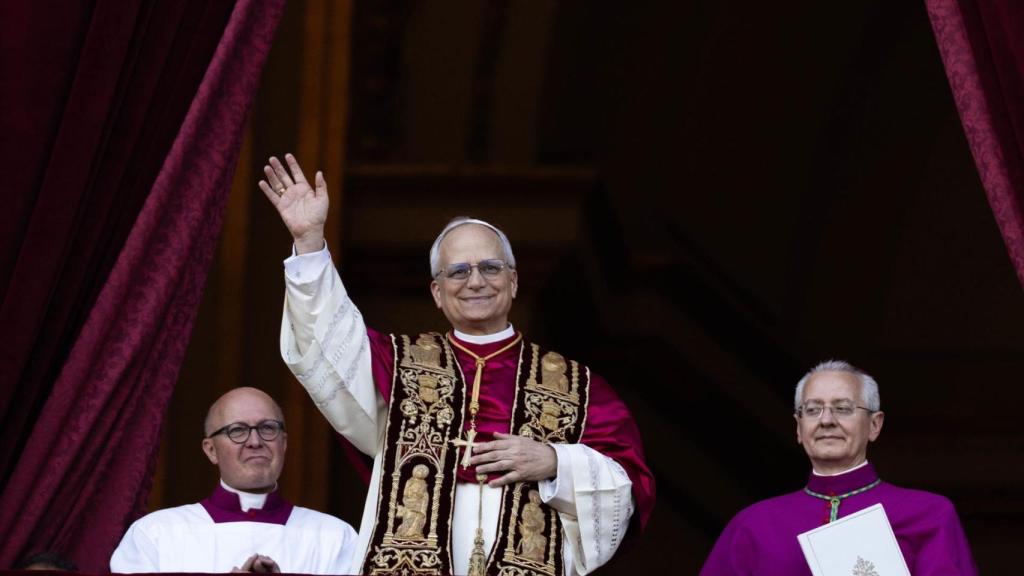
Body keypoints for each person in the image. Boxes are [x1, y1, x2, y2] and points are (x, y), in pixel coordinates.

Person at [260, 154, 655, 576]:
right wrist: (308, 244)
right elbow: (330, 341)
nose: (476, 281)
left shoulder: (577, 387)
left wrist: (556, 462)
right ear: (436, 291)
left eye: (490, 267)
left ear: (515, 280)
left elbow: (628, 488)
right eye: (458, 271)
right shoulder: (398, 365)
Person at [700, 360, 978, 575]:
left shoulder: (928, 515)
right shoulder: (752, 525)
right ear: (799, 428)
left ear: (874, 425)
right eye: (812, 410)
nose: (826, 420)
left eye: (843, 408)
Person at [110, 387, 357, 573]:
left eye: (268, 428)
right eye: (237, 430)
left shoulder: (335, 537)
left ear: (284, 443)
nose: (255, 441)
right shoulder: (156, 534)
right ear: (211, 450)